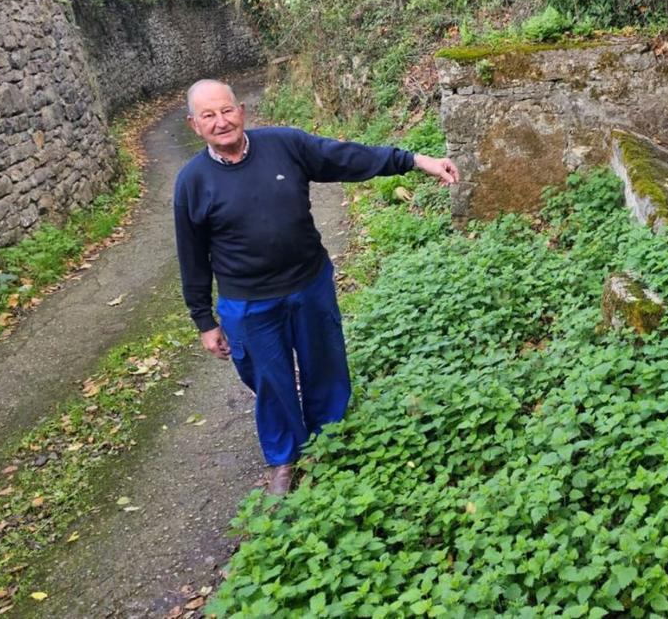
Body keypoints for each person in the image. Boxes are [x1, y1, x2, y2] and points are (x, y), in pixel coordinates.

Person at [173, 79, 459, 496]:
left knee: (324, 363)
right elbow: (192, 257)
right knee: (270, 381)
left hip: (309, 285)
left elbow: (346, 157)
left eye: (227, 111)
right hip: (248, 303)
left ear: (243, 111)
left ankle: (332, 438)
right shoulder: (191, 182)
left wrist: (415, 160)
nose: (221, 122)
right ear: (194, 125)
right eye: (208, 116)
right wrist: (204, 320)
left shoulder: (285, 145)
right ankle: (284, 458)